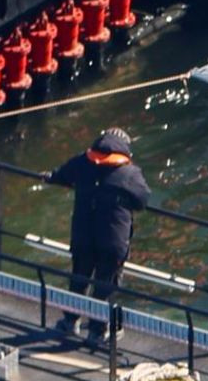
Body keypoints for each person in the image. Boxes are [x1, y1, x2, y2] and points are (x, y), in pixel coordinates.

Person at [49, 128, 151, 341]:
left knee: (78, 279)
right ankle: (98, 330)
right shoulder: (129, 174)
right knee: (105, 286)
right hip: (112, 241)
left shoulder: (82, 163)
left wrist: (50, 178)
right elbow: (142, 200)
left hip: (83, 236)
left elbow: (61, 175)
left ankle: (69, 321)